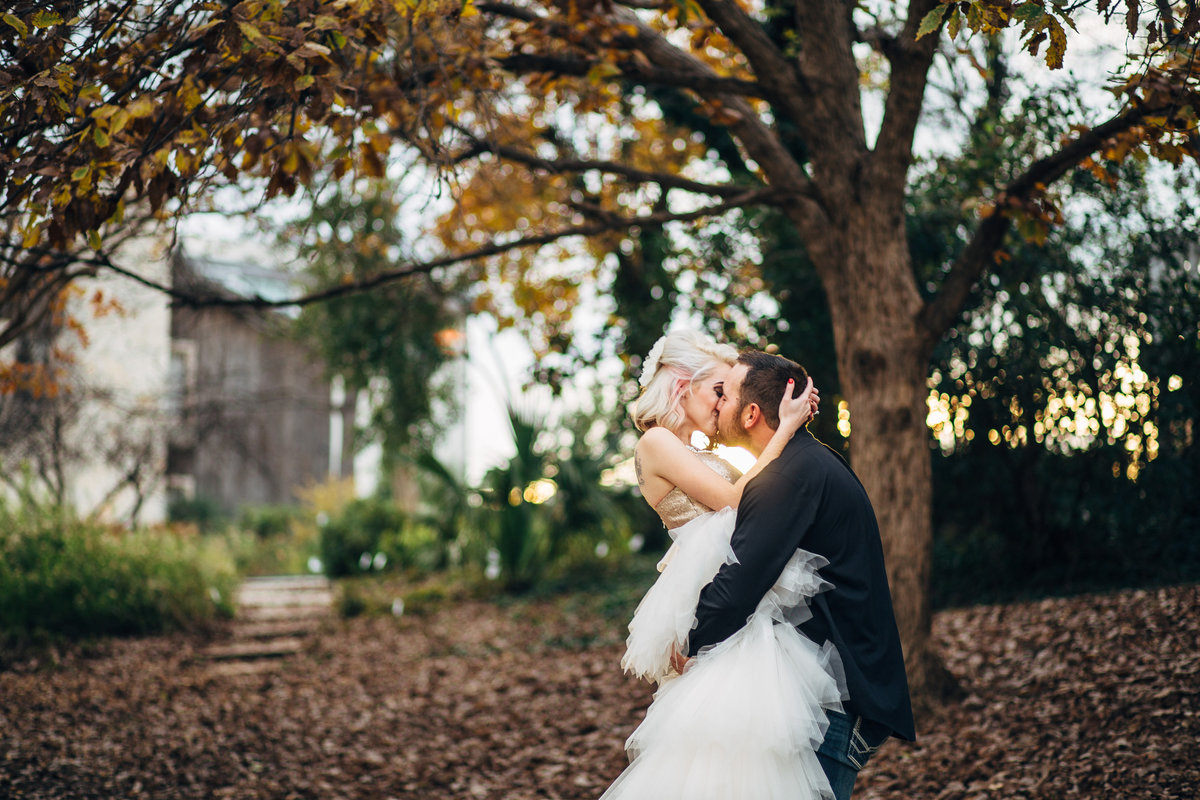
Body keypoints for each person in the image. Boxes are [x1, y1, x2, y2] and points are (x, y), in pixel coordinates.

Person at [600, 330, 846, 800]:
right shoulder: (655, 442)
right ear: (681, 386)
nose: (721, 405)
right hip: (718, 592)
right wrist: (786, 432)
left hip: (740, 597)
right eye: (717, 391)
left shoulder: (698, 452)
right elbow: (738, 499)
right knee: (720, 733)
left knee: (754, 726)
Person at [685, 349, 916, 800]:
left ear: (751, 413)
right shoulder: (805, 462)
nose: (716, 404)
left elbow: (740, 582)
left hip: (837, 701)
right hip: (833, 689)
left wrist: (687, 640)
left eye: (725, 396)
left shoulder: (789, 476)